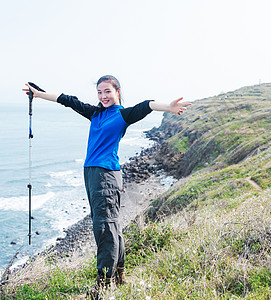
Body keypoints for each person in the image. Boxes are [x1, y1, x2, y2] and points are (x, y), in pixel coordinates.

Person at [23, 75, 191, 290]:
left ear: (117, 91)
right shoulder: (95, 113)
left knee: (104, 228)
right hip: (91, 173)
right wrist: (38, 94)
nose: (103, 96)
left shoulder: (122, 115)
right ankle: (119, 277)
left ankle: (103, 285)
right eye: (100, 92)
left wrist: (168, 107)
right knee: (111, 226)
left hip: (106, 175)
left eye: (107, 92)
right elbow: (67, 100)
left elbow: (146, 105)